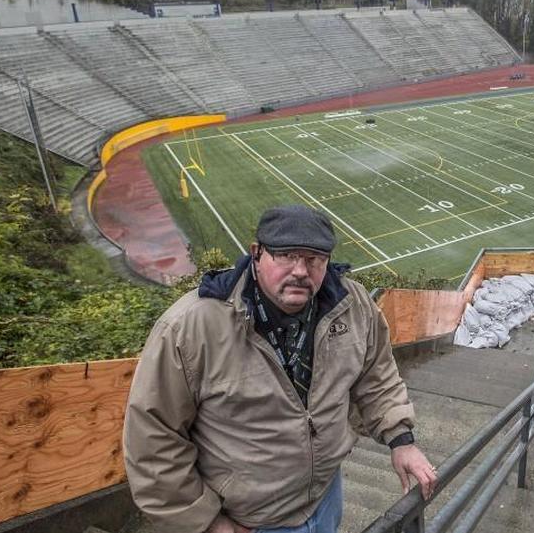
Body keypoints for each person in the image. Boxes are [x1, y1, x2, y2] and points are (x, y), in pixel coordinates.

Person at [124, 205, 437, 533]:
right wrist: (208, 523)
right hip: (249, 521)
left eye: (314, 259)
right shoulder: (190, 327)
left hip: (325, 498)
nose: (301, 270)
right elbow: (153, 436)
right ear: (257, 254)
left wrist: (401, 439)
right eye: (287, 255)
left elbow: (377, 374)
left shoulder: (352, 304)